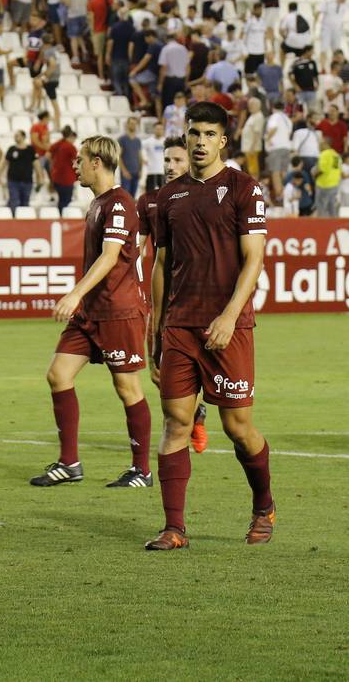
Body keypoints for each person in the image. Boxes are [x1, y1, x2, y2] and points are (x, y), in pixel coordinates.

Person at [147, 101, 273, 551]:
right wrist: (155, 325)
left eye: (207, 135)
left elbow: (253, 260)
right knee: (175, 422)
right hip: (180, 326)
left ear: (223, 141)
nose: (199, 142)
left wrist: (230, 314)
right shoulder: (169, 196)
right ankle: (174, 527)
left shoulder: (244, 189)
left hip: (228, 327)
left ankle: (263, 507)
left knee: (238, 427)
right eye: (192, 134)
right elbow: (161, 263)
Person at [31, 136, 152, 489]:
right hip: (92, 311)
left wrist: (75, 293)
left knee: (127, 387)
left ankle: (141, 469)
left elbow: (111, 256)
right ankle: (69, 463)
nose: (75, 165)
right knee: (58, 374)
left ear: (97, 162)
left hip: (118, 310)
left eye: (80, 160)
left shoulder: (120, 204)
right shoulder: (99, 203)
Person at [137, 135, 208, 451]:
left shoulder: (208, 197)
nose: (170, 166)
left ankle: (192, 415)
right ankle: (194, 414)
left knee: (198, 368)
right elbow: (140, 251)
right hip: (164, 298)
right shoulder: (151, 201)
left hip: (200, 301)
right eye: (166, 160)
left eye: (177, 160)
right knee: (159, 374)